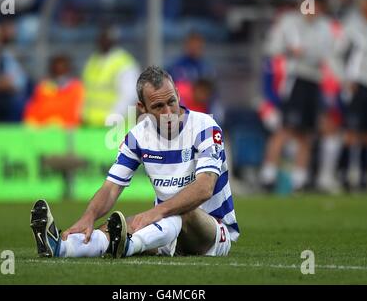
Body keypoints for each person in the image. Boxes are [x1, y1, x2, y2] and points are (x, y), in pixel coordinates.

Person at [30, 66, 239, 258]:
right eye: (158, 106)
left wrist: (155, 212)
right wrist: (89, 216)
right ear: (142, 107)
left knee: (180, 212)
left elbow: (204, 188)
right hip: (165, 227)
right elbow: (111, 188)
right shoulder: (137, 137)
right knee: (111, 229)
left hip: (212, 231)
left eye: (171, 102)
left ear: (178, 93)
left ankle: (127, 245)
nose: (168, 113)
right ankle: (60, 247)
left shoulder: (205, 127)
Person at [259, 0, 335, 191]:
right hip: (294, 80)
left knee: (307, 133)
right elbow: (272, 48)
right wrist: (290, 50)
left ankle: (299, 181)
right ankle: (268, 176)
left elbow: (325, 54)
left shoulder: (325, 26)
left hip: (314, 81)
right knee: (286, 129)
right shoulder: (289, 22)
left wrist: (304, 52)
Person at [331, 0, 367, 191]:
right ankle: (344, 173)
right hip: (357, 86)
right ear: (365, 4)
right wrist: (345, 80)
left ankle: (363, 176)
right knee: (352, 131)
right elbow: (335, 55)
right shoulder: (352, 28)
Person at [81, 26, 139, 127]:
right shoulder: (93, 61)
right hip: (91, 124)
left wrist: (113, 118)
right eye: (102, 37)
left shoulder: (124, 63)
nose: (103, 40)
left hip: (115, 127)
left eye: (107, 38)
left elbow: (129, 96)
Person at [23, 54, 85, 128]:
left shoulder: (77, 88)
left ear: (68, 69)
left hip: (68, 131)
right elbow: (32, 110)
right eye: (56, 69)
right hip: (43, 131)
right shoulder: (42, 87)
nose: (59, 73)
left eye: (63, 69)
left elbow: (78, 112)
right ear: (51, 70)